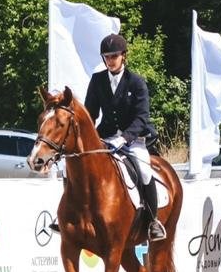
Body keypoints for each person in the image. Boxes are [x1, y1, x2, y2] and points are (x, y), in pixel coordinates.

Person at [60, 33, 166, 241]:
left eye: (114, 56)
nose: (110, 60)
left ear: (123, 56)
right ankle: (70, 213)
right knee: (69, 166)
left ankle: (153, 221)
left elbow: (142, 117)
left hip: (133, 139)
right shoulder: (98, 80)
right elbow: (90, 113)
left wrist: (124, 138)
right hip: (105, 137)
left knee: (144, 171)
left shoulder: (136, 82)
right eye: (107, 57)